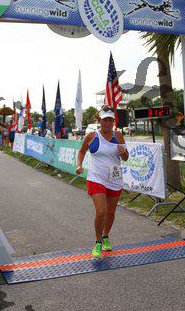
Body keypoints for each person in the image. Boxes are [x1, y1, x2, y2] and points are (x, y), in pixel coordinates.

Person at [76, 105, 129, 259]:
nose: (107, 123)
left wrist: (124, 152)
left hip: (114, 178)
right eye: (105, 120)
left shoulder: (118, 136)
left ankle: (106, 237)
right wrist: (79, 165)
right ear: (99, 121)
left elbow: (126, 158)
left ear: (113, 122)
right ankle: (98, 242)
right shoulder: (92, 136)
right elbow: (82, 151)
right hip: (96, 178)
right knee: (101, 212)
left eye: (110, 120)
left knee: (111, 213)